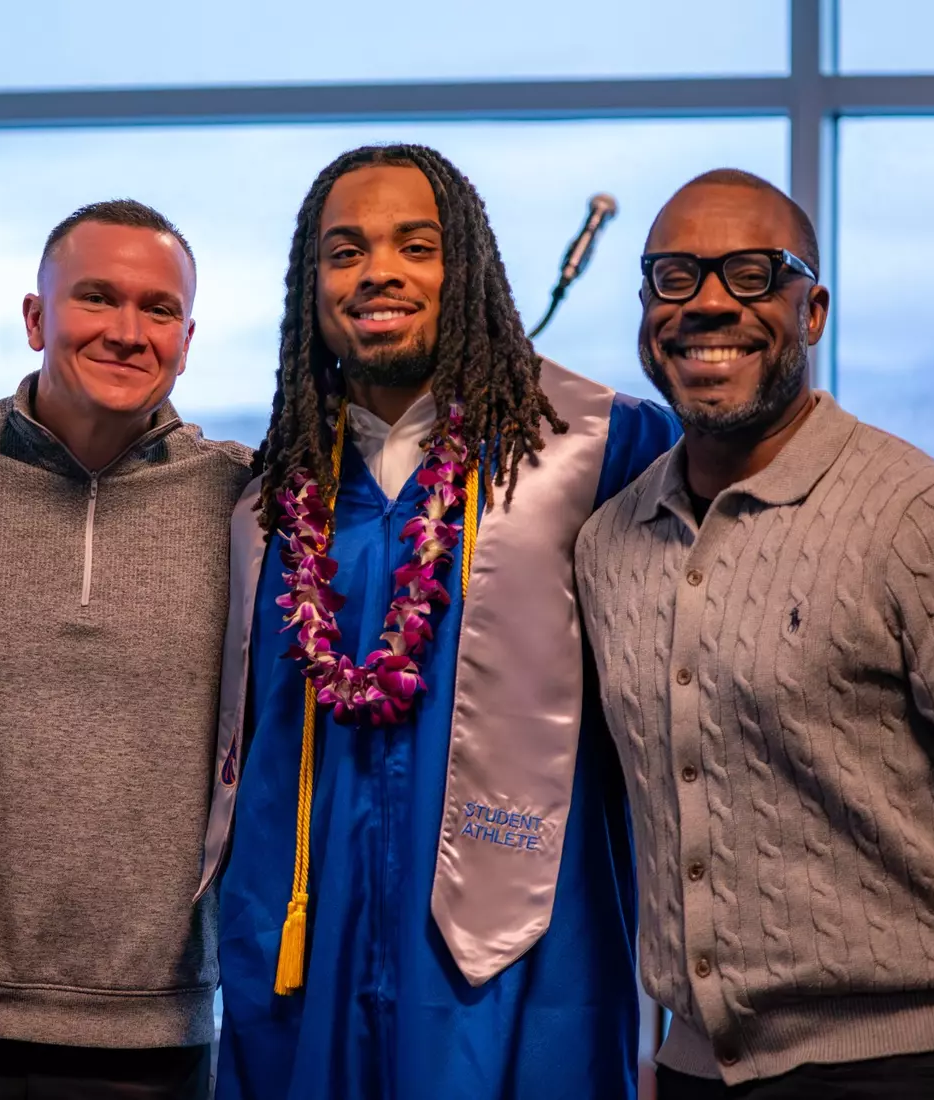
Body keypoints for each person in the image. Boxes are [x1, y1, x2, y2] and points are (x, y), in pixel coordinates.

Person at [203, 143, 678, 1099]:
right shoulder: (269, 497)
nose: (378, 271)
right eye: (345, 252)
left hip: (525, 952)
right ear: (311, 284)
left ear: (465, 270)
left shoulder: (596, 448)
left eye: (415, 246)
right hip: (303, 944)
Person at [576, 168, 934, 1100]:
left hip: (913, 1071)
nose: (709, 303)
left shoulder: (920, 522)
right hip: (693, 1072)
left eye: (752, 274)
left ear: (814, 310)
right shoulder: (609, 544)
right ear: (645, 312)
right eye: (675, 277)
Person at [0, 199, 251, 1100]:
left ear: (187, 337)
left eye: (158, 309)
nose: (127, 331)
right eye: (96, 299)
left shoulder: (247, 503)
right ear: (35, 318)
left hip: (155, 1032)